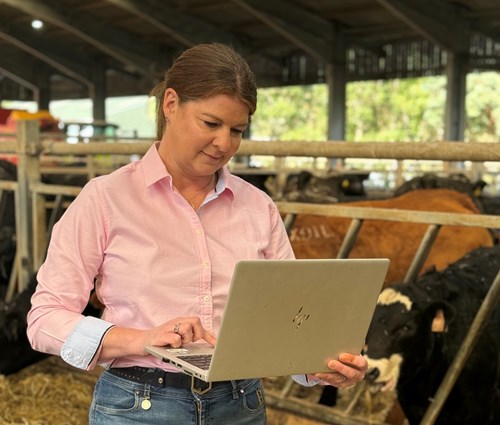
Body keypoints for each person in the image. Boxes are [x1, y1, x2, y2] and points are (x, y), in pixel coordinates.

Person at [27, 43, 367, 424]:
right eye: (210, 123)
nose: (224, 144)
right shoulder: (106, 199)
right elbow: (45, 319)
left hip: (240, 403)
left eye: (237, 130)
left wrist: (320, 365)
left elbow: (288, 323)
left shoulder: (258, 207)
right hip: (139, 404)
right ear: (170, 104)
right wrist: (141, 338)